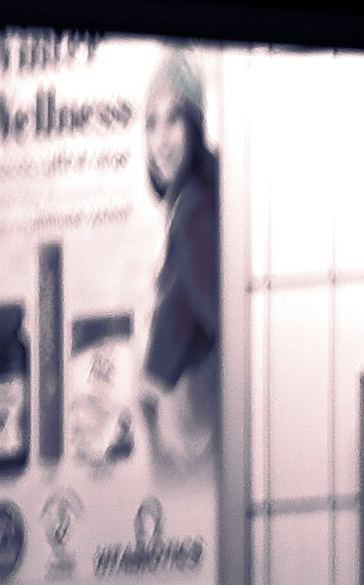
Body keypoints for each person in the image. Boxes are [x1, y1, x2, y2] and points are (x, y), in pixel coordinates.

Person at [135, 53, 217, 469]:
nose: (160, 140)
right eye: (151, 123)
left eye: (173, 120)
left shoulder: (195, 212)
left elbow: (213, 312)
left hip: (189, 432)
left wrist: (157, 386)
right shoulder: (189, 202)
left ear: (195, 126)